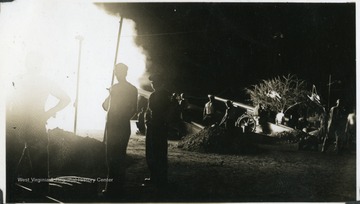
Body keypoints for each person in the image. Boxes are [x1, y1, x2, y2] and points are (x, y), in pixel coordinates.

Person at [6, 52, 70, 198]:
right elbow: (66, 99)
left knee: (10, 168)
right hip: (34, 125)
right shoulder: (44, 82)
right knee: (39, 171)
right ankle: (39, 198)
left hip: (17, 126)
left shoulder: (18, 80)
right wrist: (48, 113)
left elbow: (6, 102)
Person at [102, 63, 138, 195]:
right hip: (121, 125)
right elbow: (134, 109)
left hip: (114, 125)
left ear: (124, 73)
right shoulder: (131, 89)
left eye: (118, 72)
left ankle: (111, 188)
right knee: (118, 156)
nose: (117, 74)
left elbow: (105, 106)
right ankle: (117, 187)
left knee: (112, 157)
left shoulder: (116, 88)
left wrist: (111, 95)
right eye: (116, 72)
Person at [144, 73, 171, 189]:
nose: (153, 84)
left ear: (160, 82)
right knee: (155, 152)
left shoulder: (160, 95)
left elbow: (161, 112)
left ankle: (158, 178)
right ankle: (156, 177)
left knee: (155, 152)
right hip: (155, 127)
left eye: (155, 82)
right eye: (152, 82)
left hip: (157, 127)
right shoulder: (158, 94)